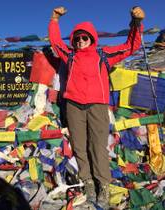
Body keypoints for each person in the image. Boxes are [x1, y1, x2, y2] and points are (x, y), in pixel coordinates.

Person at [48, 6, 145, 208]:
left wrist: (136, 23)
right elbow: (56, 43)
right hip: (73, 106)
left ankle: (104, 185)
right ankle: (88, 182)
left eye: (85, 38)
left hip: (97, 106)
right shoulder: (70, 55)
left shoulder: (104, 55)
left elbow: (131, 46)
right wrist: (55, 19)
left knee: (98, 147)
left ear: (92, 38)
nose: (80, 41)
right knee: (79, 146)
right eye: (77, 38)